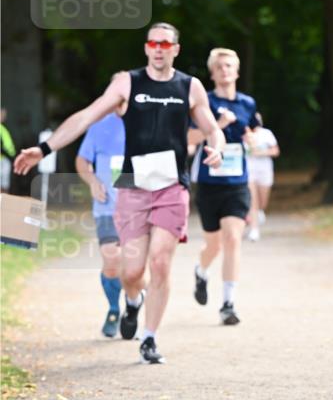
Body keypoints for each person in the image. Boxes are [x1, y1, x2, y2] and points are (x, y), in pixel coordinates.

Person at [14, 23, 225, 365]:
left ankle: (150, 337)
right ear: (146, 48)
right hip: (132, 184)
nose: (158, 48)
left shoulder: (190, 86)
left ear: (175, 49)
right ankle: (132, 301)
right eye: (153, 43)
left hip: (171, 184)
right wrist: (44, 148)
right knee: (131, 271)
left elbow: (212, 129)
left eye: (165, 43)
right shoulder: (127, 82)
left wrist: (216, 148)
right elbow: (85, 117)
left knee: (160, 261)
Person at [189, 48, 258, 325]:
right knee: (213, 245)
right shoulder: (202, 103)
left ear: (237, 71)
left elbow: (253, 132)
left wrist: (252, 139)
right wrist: (217, 125)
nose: (225, 70)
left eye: (229, 66)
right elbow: (189, 137)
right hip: (209, 182)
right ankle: (201, 270)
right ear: (212, 72)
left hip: (237, 182)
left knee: (232, 239)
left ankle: (228, 304)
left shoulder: (248, 103)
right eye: (219, 66)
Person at [75, 103, 126, 338]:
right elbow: (82, 160)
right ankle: (115, 309)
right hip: (107, 206)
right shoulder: (99, 125)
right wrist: (93, 182)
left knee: (135, 267)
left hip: (139, 208)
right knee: (112, 258)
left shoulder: (148, 121)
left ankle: (133, 305)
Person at [246, 113, 280, 241]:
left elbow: (275, 150)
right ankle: (254, 230)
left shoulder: (266, 134)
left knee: (262, 200)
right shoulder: (244, 134)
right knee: (252, 200)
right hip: (249, 170)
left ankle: (260, 211)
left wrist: (261, 152)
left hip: (264, 169)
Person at [1, 108, 16, 192]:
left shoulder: (4, 129)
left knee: (4, 184)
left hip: (5, 159)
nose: (4, 117)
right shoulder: (2, 129)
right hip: (2, 160)